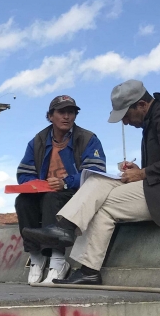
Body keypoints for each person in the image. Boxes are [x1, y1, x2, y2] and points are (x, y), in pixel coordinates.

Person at [22, 80, 160, 285]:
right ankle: (65, 229)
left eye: (126, 114)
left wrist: (143, 173)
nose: (125, 121)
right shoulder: (156, 117)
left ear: (142, 105)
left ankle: (87, 267)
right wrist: (138, 172)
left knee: (104, 207)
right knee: (98, 179)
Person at [15, 94, 106, 284]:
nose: (67, 117)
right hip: (46, 191)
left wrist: (67, 182)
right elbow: (24, 172)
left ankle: (58, 261)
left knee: (52, 197)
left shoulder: (88, 139)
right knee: (22, 201)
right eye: (61, 112)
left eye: (71, 112)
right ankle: (36, 258)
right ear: (50, 116)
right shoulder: (38, 140)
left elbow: (96, 173)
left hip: (77, 193)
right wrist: (36, 184)